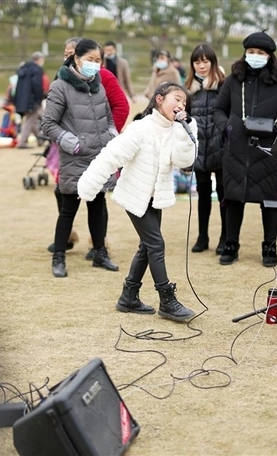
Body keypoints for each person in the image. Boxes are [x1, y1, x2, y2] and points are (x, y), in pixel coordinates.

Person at [77, 82, 197, 322]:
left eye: (184, 102)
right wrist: (88, 186)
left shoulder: (176, 130)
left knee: (147, 246)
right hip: (134, 195)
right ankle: (166, 301)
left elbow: (185, 161)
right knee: (156, 244)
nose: (181, 105)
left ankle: (128, 297)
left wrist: (186, 130)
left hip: (154, 197)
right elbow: (111, 156)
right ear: (160, 99)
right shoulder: (140, 128)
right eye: (177, 99)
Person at [213, 31, 277, 267]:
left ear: (269, 56)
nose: (255, 56)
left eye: (261, 53)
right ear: (245, 53)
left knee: (269, 201)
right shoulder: (233, 80)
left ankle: (269, 246)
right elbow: (219, 109)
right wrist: (228, 127)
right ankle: (231, 244)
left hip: (267, 150)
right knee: (233, 198)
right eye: (251, 51)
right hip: (235, 149)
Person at [40, 38, 119, 278]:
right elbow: (48, 123)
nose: (94, 64)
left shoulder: (98, 85)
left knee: (97, 206)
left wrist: (112, 134)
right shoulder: (60, 86)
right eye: (89, 59)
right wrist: (70, 142)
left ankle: (100, 253)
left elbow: (108, 116)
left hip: (99, 157)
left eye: (98, 60)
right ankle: (59, 257)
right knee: (69, 209)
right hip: (75, 158)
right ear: (76, 59)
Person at [185, 43, 227, 254]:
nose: (201, 66)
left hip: (220, 145)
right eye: (197, 62)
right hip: (199, 146)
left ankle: (225, 237)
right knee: (202, 193)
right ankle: (202, 236)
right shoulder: (188, 89)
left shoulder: (224, 85)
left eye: (205, 61)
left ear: (213, 62)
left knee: (223, 193)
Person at [15, 52, 46, 149]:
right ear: (39, 59)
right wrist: (39, 98)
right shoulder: (36, 70)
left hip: (22, 99)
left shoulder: (24, 69)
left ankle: (40, 139)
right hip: (32, 98)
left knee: (33, 119)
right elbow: (37, 85)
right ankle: (22, 142)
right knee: (30, 120)